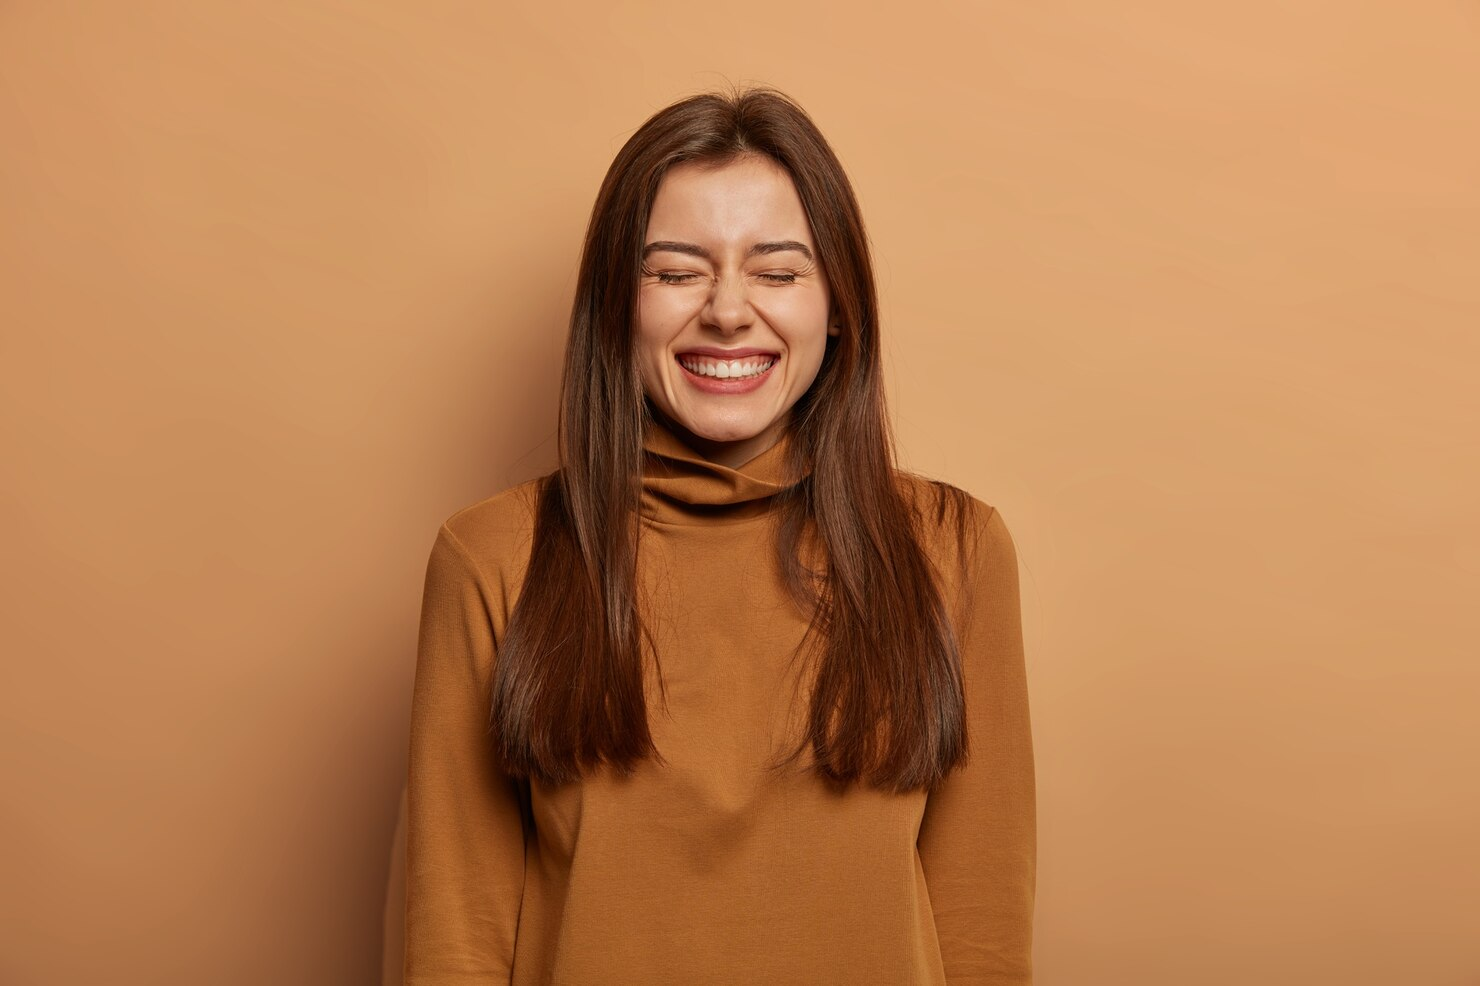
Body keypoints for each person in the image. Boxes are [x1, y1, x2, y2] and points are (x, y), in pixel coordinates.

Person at [403, 84, 1036, 985]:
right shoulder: (492, 560)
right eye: (676, 271)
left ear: (839, 305)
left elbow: (983, 936)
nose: (729, 310)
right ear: (616, 306)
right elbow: (452, 938)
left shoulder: (957, 551)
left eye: (777, 271)